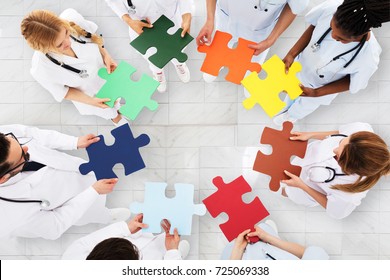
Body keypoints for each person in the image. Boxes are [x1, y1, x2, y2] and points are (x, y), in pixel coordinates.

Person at [0, 124, 130, 239]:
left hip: (73, 169)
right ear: (3, 178)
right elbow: (55, 226)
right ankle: (106, 216)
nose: (27, 148)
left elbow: (31, 134)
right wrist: (93, 192)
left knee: (89, 177)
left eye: (17, 141)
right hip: (71, 200)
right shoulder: (11, 217)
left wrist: (73, 142)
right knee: (93, 211)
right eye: (24, 156)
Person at [273, 0, 390, 125]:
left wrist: (316, 93)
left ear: (359, 35)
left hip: (321, 88)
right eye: (331, 27)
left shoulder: (369, 56)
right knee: (290, 94)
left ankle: (291, 116)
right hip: (301, 68)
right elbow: (314, 26)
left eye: (340, 39)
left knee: (303, 107)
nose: (333, 36)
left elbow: (352, 83)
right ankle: (285, 108)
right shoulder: (331, 8)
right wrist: (291, 54)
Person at [21, 9, 127, 126]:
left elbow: (93, 37)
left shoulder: (72, 18)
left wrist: (106, 55)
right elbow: (63, 92)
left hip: (105, 75)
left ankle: (119, 110)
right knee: (110, 112)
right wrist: (92, 101)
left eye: (66, 33)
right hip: (89, 95)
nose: (68, 42)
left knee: (118, 98)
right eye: (60, 45)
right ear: (43, 48)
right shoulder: (41, 68)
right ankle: (116, 118)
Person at [280, 122, 390, 219]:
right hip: (302, 159)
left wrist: (301, 186)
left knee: (283, 191)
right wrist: (311, 134)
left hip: (301, 188)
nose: (334, 149)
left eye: (338, 155)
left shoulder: (350, 195)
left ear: (349, 168)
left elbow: (333, 210)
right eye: (341, 142)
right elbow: (340, 132)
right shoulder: (362, 132)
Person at [196, 0, 309, 83]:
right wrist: (210, 20)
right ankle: (216, 63)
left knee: (251, 72)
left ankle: (250, 81)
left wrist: (271, 40)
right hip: (226, 17)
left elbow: (294, 8)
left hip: (259, 30)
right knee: (219, 53)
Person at [105, 0, 193, 93]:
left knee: (177, 51)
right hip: (141, 26)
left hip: (171, 19)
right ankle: (158, 72)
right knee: (152, 56)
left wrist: (186, 16)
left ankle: (179, 63)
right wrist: (129, 21)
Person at [62, 214, 190, 260]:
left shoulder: (71, 259)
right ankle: (177, 253)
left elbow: (86, 243)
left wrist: (126, 229)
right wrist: (172, 254)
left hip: (139, 241)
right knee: (171, 251)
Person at [221, 220, 329, 260]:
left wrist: (238, 248)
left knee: (228, 247)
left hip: (236, 257)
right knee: (264, 227)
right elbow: (305, 253)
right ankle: (271, 233)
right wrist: (268, 238)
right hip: (268, 245)